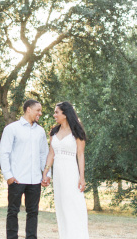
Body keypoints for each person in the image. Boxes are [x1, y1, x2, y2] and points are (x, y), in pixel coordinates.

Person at [0, 99, 50, 239]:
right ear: (28, 109)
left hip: (35, 180)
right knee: (13, 211)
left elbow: (43, 154)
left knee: (33, 213)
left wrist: (46, 174)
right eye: (38, 110)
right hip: (17, 178)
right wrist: (8, 175)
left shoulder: (40, 131)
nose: (40, 113)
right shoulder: (12, 128)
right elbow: (4, 153)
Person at [42, 101, 89, 238]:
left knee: (73, 205)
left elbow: (80, 155)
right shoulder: (54, 131)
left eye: (57, 112)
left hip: (71, 172)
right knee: (61, 205)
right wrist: (46, 171)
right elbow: (51, 153)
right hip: (58, 174)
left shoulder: (77, 132)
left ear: (65, 113)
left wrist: (82, 177)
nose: (54, 114)